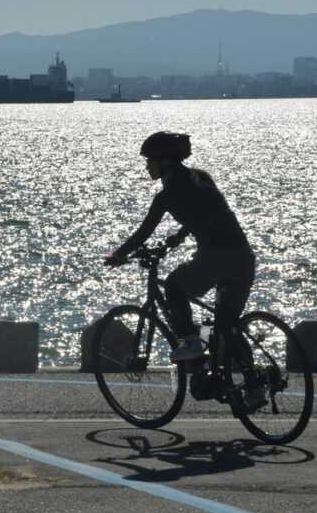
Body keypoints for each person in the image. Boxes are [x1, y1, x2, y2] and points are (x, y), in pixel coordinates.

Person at [104, 131, 256, 363]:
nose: (146, 167)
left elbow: (144, 232)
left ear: (165, 162)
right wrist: (178, 237)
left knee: (174, 286)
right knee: (225, 324)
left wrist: (118, 254)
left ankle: (191, 340)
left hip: (216, 257)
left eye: (149, 161)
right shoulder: (201, 178)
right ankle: (251, 382)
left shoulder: (167, 195)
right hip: (243, 257)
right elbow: (207, 213)